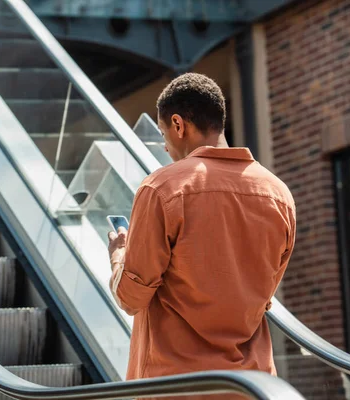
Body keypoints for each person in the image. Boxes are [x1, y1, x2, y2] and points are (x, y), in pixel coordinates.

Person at [108, 73, 296, 399]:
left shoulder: (162, 188)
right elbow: (262, 298)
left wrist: (118, 253)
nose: (165, 147)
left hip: (174, 387)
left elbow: (131, 297)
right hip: (250, 386)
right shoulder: (278, 195)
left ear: (179, 124)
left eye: (165, 134)